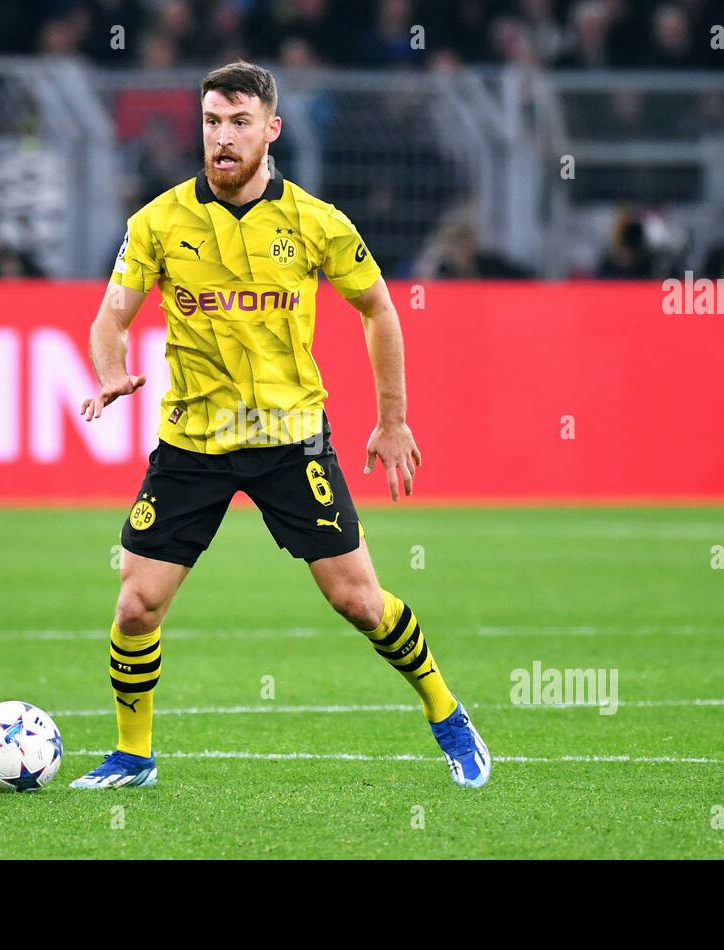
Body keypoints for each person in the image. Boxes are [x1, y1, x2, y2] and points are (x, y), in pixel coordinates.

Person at [70, 61, 490, 791]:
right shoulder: (158, 221)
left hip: (289, 441)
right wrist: (110, 372)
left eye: (238, 123)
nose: (222, 139)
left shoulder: (316, 223)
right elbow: (111, 317)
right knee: (136, 605)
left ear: (272, 129)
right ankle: (134, 755)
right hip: (192, 444)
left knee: (358, 600)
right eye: (210, 122)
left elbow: (379, 310)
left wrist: (392, 421)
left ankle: (447, 713)